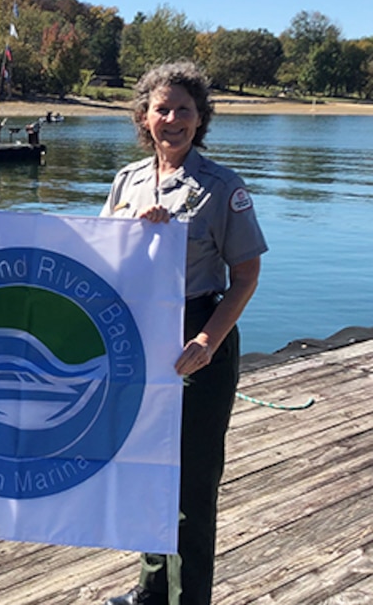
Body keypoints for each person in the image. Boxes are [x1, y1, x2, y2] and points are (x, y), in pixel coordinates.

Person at [98, 61, 267, 605]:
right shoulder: (126, 181)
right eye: (161, 108)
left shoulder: (222, 188)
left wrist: (208, 341)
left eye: (184, 110)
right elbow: (100, 257)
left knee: (191, 486)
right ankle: (151, 588)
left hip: (197, 333)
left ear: (200, 120)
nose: (172, 119)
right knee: (146, 471)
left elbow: (245, 275)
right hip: (138, 338)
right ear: (144, 117)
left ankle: (188, 597)